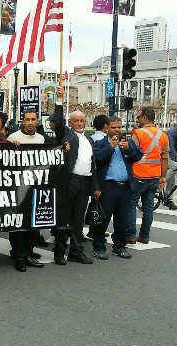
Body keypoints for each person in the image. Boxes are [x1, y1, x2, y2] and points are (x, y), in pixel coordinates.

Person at [52, 85, 100, 265]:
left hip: (85, 182)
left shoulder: (88, 139)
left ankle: (76, 251)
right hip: (69, 180)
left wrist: (95, 186)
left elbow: (92, 164)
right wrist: (59, 101)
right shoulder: (66, 134)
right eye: (76, 121)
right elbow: (57, 122)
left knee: (78, 219)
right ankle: (59, 251)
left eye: (82, 120)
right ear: (70, 123)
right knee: (63, 218)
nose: (80, 123)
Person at [91, 117, 143, 260]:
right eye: (114, 127)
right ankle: (99, 246)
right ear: (107, 128)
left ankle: (119, 246)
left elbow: (138, 155)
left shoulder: (127, 142)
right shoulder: (100, 143)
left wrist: (129, 148)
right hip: (108, 186)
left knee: (122, 219)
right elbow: (98, 158)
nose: (117, 130)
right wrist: (111, 148)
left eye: (119, 127)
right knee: (103, 219)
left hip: (125, 186)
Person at [6, 109, 46, 272]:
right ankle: (19, 256)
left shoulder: (41, 138)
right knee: (17, 224)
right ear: (22, 121)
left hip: (35, 187)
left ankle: (27, 252)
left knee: (32, 224)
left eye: (33, 119)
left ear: (37, 121)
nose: (30, 122)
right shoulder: (13, 137)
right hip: (17, 188)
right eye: (27, 119)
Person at [127, 107, 169, 244]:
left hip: (138, 174)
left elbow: (133, 153)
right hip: (155, 175)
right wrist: (163, 177)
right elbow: (165, 158)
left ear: (144, 118)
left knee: (132, 204)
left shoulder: (138, 133)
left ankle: (131, 234)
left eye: (139, 117)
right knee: (148, 207)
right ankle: (145, 236)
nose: (138, 120)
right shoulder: (163, 136)